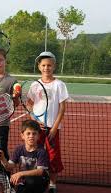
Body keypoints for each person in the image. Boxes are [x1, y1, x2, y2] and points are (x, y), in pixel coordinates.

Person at [29, 51, 69, 193]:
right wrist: (34, 120)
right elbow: (29, 104)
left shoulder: (59, 85)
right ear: (39, 67)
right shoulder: (35, 85)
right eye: (44, 65)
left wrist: (54, 127)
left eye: (49, 65)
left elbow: (62, 108)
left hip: (53, 129)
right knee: (35, 154)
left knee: (53, 157)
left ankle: (52, 184)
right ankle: (34, 180)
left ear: (54, 66)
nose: (46, 68)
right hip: (37, 129)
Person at [0, 120, 49, 193]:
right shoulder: (19, 149)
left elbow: (40, 171)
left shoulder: (41, 151)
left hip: (39, 181)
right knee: (11, 182)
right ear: (22, 136)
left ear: (38, 136)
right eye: (28, 133)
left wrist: (20, 173)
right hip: (24, 179)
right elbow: (9, 167)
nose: (31, 136)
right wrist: (2, 158)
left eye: (34, 134)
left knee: (31, 182)